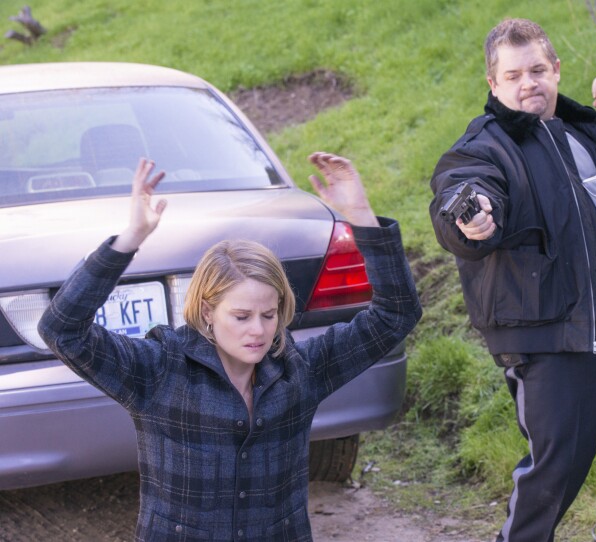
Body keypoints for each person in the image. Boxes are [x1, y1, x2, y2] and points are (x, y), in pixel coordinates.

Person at [39, 154, 422, 541]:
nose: (259, 331)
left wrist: (361, 217)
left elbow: (396, 316)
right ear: (207, 311)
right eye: (241, 317)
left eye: (269, 315)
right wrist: (129, 240)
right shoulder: (158, 370)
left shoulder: (301, 369)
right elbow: (61, 330)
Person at [429, 18, 596, 542]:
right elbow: (460, 191)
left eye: (537, 69)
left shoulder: (590, 129)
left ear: (556, 70)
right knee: (550, 482)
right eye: (513, 75)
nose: (528, 82)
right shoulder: (485, 148)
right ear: (493, 84)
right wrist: (471, 216)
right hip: (557, 342)